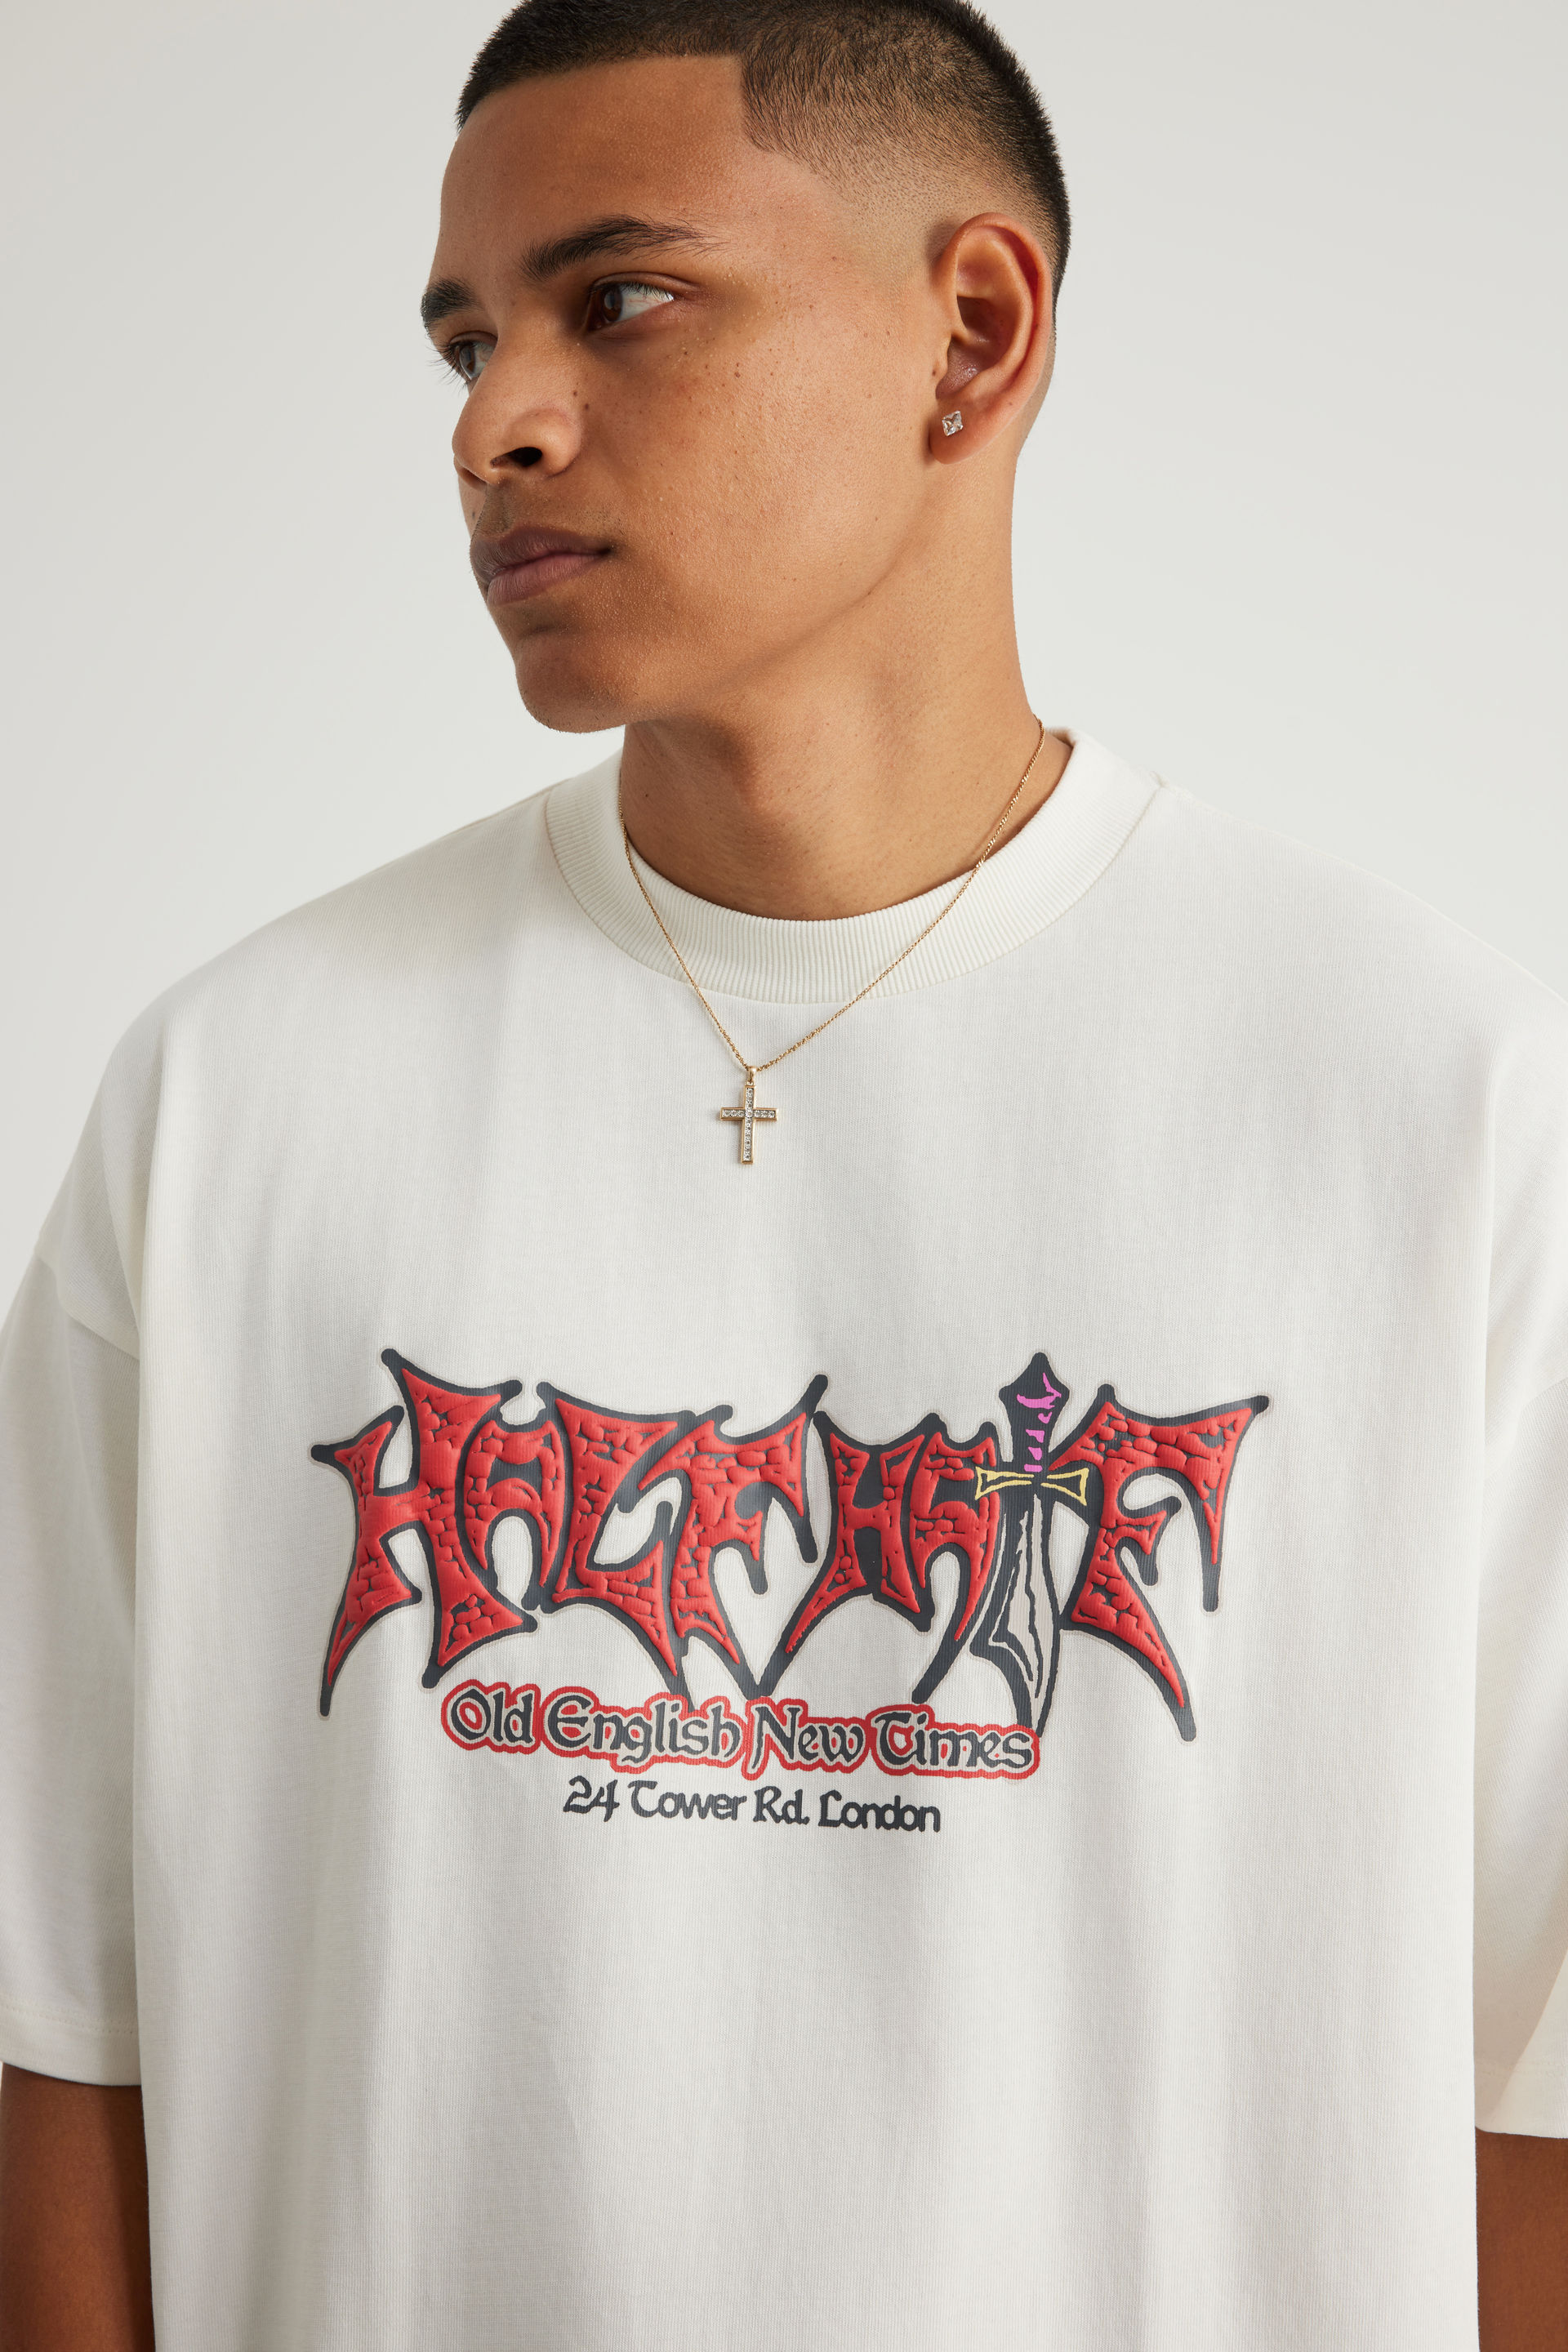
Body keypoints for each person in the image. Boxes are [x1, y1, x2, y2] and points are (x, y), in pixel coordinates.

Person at [1, 0, 1564, 2343]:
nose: (492, 423)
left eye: (622, 298)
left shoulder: (1432, 1102)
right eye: (466, 340)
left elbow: (1538, 2090)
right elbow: (57, 2017)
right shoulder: (238, 1092)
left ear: (973, 334)